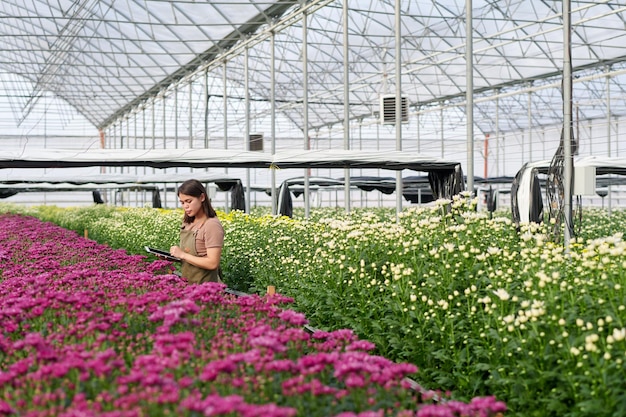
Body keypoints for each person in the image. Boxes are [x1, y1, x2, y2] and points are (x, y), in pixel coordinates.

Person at [169, 179, 224, 284]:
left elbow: (212, 263)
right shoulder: (188, 223)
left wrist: (182, 255)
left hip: (206, 289)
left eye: (189, 201)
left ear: (202, 197)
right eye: (182, 202)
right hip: (189, 286)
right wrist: (172, 257)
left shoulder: (211, 225)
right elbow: (191, 258)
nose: (185, 206)